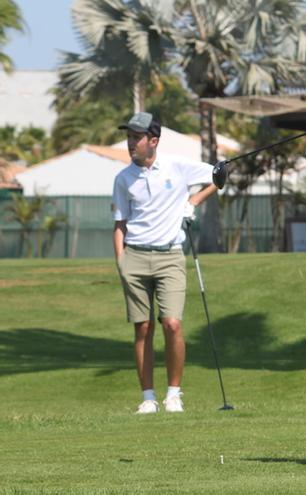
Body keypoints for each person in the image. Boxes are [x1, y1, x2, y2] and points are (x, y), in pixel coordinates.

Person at [112, 112, 218, 414]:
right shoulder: (123, 178)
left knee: (172, 324)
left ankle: (173, 394)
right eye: (129, 137)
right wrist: (121, 261)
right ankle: (148, 397)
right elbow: (119, 224)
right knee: (142, 327)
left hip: (170, 255)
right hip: (134, 256)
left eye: (136, 137)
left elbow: (217, 176)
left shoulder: (177, 167)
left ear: (153, 141)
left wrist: (192, 202)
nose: (131, 143)